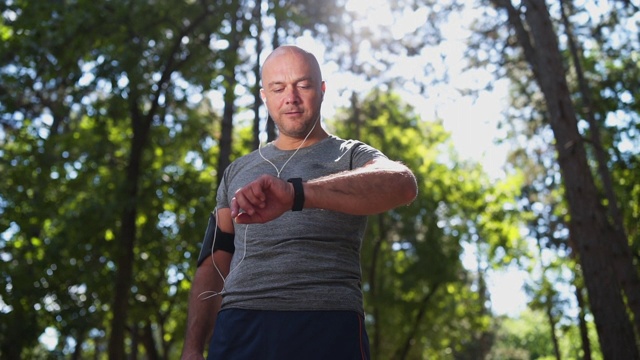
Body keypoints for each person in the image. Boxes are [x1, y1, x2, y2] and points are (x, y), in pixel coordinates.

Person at [181, 45, 417, 360]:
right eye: (278, 88)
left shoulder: (351, 155)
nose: (290, 97)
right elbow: (214, 259)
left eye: (302, 85)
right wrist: (193, 348)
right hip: (240, 327)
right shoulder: (236, 171)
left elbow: (402, 184)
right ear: (264, 96)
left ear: (321, 90)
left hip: (327, 322)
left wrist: (296, 195)